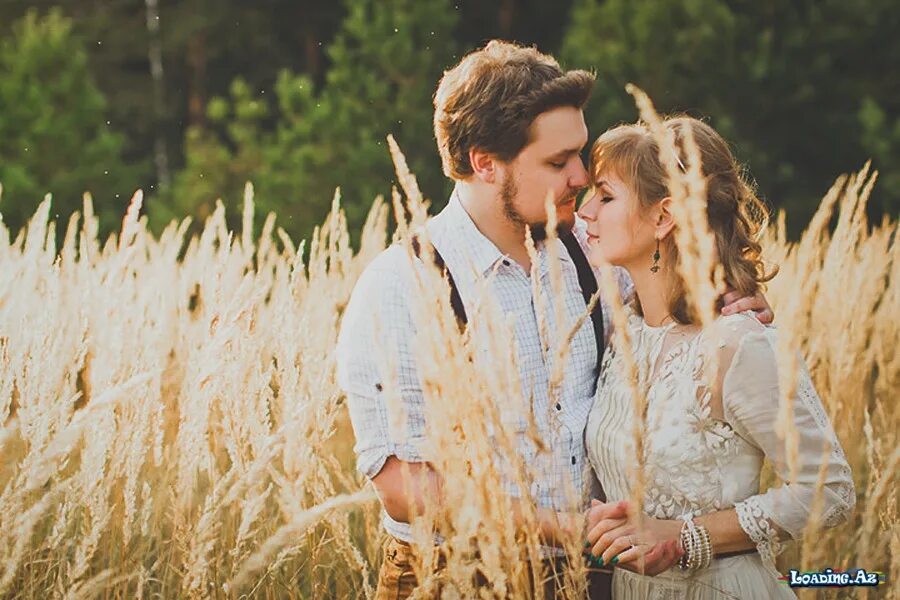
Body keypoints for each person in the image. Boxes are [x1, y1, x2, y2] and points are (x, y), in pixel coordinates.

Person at [336, 41, 773, 599]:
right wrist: (565, 527)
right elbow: (404, 486)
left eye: (580, 155)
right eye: (556, 162)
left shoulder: (595, 256)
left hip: (592, 576)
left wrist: (736, 306)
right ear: (484, 162)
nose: (580, 177)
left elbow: (681, 328)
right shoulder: (403, 284)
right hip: (456, 577)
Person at [577, 116, 856, 598]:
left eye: (605, 196)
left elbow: (828, 490)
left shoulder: (738, 342)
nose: (585, 211)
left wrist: (685, 538)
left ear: (663, 217)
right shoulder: (624, 331)